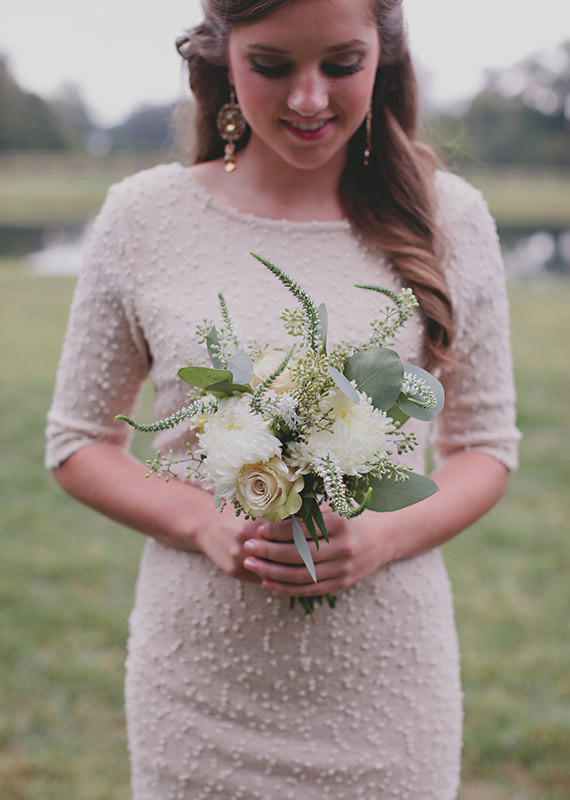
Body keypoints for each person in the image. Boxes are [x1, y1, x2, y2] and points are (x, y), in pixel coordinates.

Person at [45, 0, 520, 797]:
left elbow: (486, 450)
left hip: (386, 690)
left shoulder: (452, 219)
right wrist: (202, 523)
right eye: (272, 65)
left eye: (341, 64)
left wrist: (381, 537)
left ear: (383, 56)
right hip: (199, 691)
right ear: (224, 58)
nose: (308, 98)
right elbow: (77, 442)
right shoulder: (143, 217)